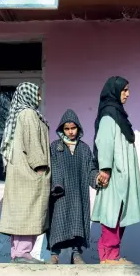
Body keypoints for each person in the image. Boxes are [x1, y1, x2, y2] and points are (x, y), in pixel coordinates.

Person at [91, 76, 140, 265]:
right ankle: (107, 257)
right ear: (114, 91)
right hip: (113, 175)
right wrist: (105, 169)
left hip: (123, 175)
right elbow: (104, 142)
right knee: (111, 215)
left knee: (119, 215)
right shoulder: (109, 114)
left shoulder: (118, 114)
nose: (128, 94)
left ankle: (113, 256)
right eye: (124, 90)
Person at [0, 82, 50, 264]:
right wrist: (40, 166)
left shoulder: (21, 114)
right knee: (28, 211)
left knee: (22, 211)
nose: (40, 98)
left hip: (21, 171)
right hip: (29, 172)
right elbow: (33, 143)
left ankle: (18, 252)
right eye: (37, 94)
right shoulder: (28, 114)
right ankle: (22, 253)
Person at [47, 109, 100, 264]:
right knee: (57, 221)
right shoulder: (55, 147)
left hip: (78, 193)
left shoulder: (84, 149)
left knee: (77, 221)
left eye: (73, 128)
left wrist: (96, 178)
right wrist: (57, 185)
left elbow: (90, 169)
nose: (70, 132)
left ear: (78, 128)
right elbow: (54, 167)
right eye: (67, 129)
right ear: (62, 129)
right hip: (59, 194)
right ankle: (54, 254)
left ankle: (76, 254)